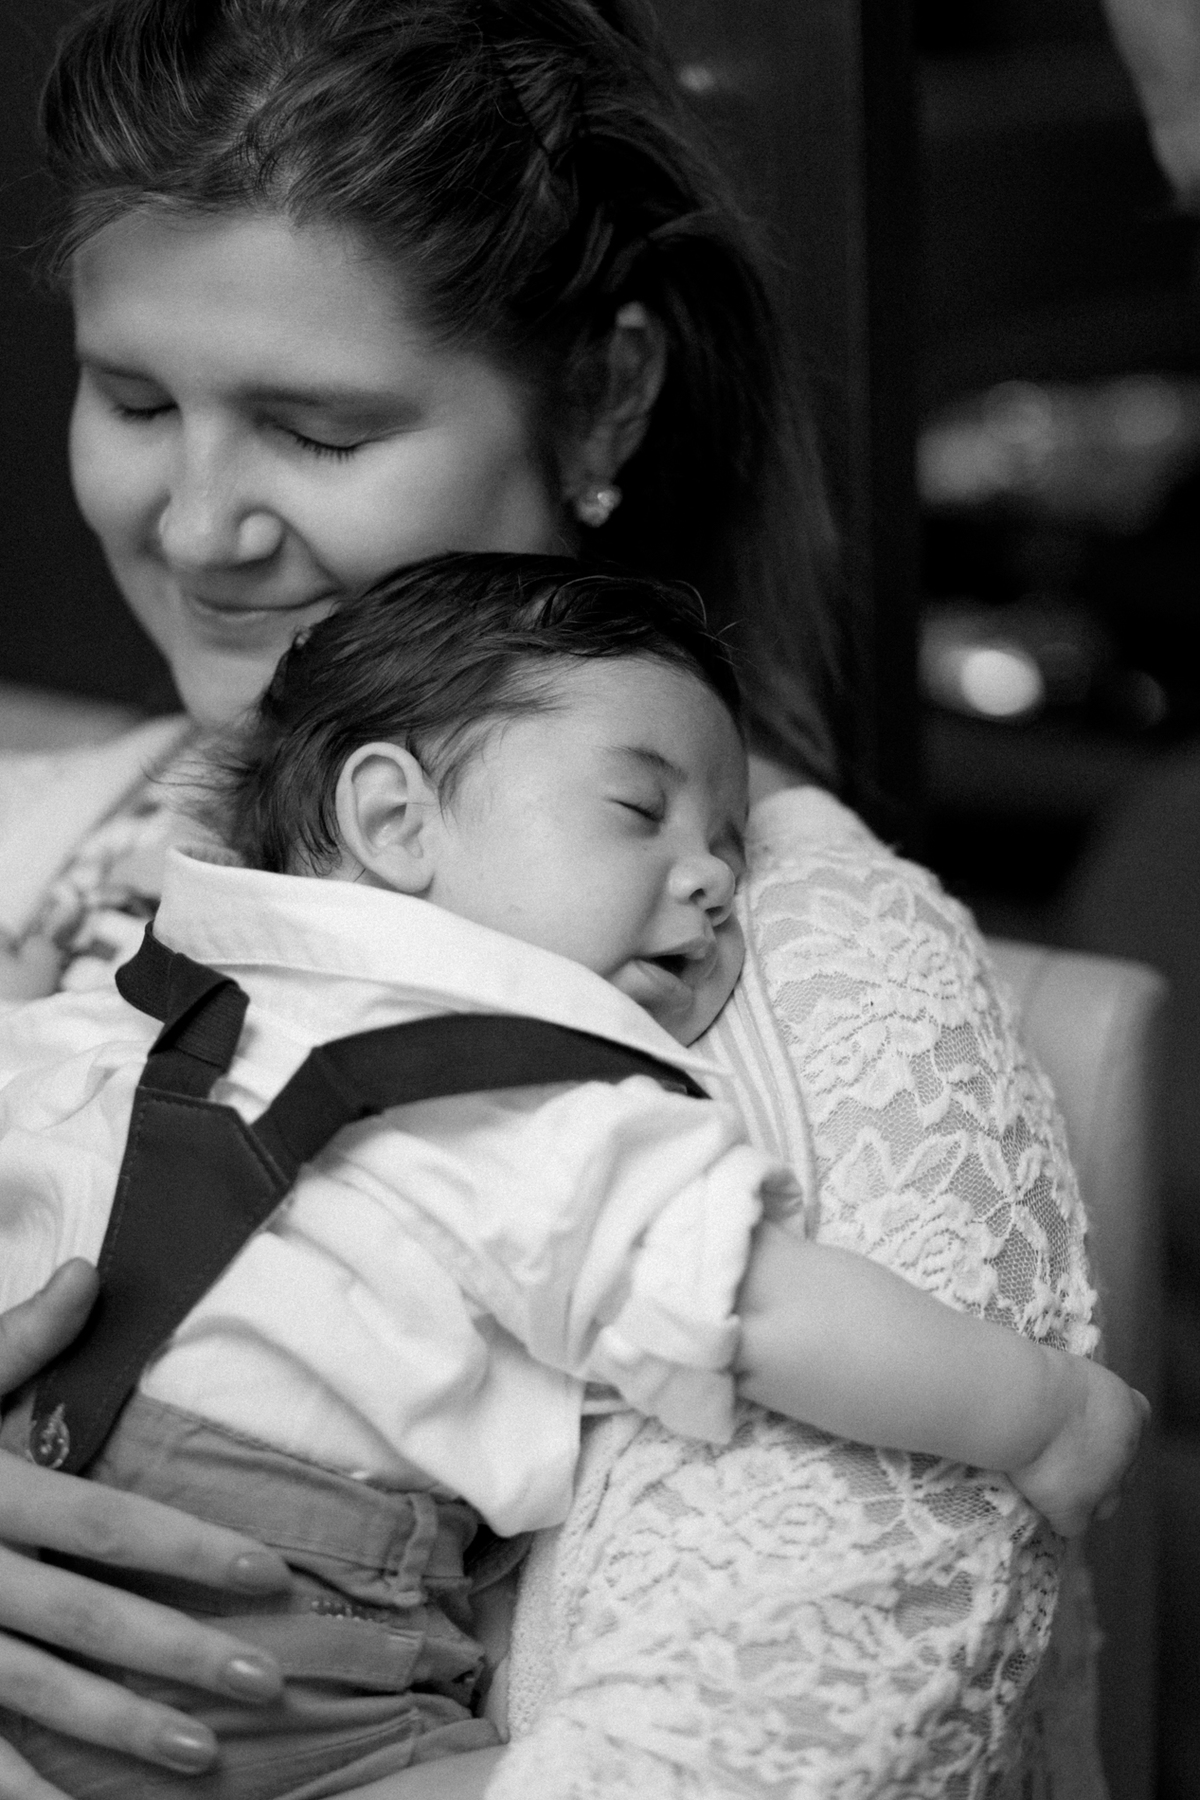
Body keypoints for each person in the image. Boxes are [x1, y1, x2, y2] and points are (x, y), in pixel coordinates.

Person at [0, 1, 1108, 1795]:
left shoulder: (812, 1015)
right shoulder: (56, 845)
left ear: (602, 397)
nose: (197, 525)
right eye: (132, 399)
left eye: (318, 430)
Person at [1, 553, 1144, 1796]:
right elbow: (758, 1309)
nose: (713, 880)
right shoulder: (510, 1094)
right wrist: (1044, 1410)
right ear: (394, 821)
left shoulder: (124, 1012)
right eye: (637, 812)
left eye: (729, 852)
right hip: (287, 1650)